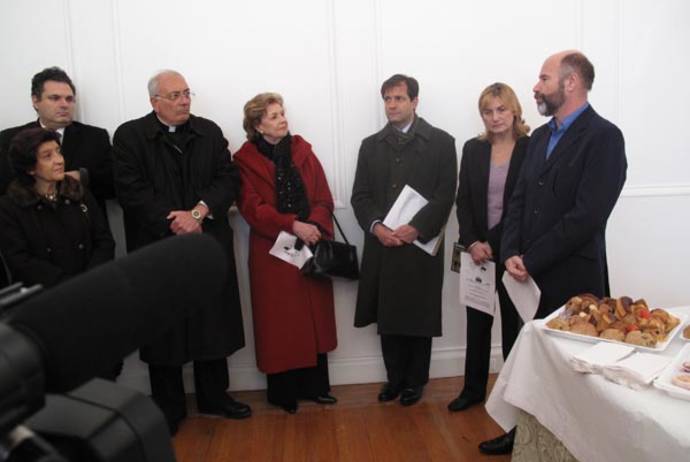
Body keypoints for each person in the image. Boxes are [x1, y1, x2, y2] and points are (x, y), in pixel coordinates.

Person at [479, 51, 627, 455]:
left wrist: (532, 259)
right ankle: (522, 436)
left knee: (569, 372)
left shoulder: (604, 138)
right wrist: (510, 251)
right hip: (523, 276)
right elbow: (518, 200)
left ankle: (570, 447)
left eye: (544, 78)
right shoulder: (540, 138)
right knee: (524, 361)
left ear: (571, 82)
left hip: (571, 280)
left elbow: (587, 216)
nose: (536, 87)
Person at [112, 70, 250, 435]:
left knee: (211, 321)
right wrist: (173, 221)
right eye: (174, 95)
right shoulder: (129, 136)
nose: (184, 100)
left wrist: (197, 214)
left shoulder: (209, 131)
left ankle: (214, 397)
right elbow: (130, 190)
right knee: (163, 326)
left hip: (206, 242)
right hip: (157, 246)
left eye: (187, 93)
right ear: (154, 102)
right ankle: (168, 406)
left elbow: (227, 179)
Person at [351, 74, 457, 406]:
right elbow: (360, 196)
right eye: (387, 99)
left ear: (415, 101)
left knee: (419, 315)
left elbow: (445, 195)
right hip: (382, 244)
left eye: (398, 98)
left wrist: (416, 228)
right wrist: (377, 227)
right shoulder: (370, 145)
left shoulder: (442, 142)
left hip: (420, 245)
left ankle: (416, 381)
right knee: (389, 315)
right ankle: (394, 378)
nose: (392, 105)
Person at [233, 92, 338, 414]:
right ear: (257, 125)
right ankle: (284, 393)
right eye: (274, 116)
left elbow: (323, 197)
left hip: (311, 243)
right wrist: (293, 225)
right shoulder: (244, 161)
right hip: (272, 251)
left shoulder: (303, 151)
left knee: (313, 319)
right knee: (280, 324)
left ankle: (316, 387)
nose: (283, 120)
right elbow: (252, 208)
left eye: (282, 113)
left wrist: (313, 226)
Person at [0, 128, 119, 379]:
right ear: (29, 167)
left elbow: (104, 240)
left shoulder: (78, 192)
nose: (59, 160)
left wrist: (89, 280)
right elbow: (20, 260)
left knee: (104, 369)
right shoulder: (10, 207)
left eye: (58, 152)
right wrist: (68, 286)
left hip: (91, 293)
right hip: (48, 302)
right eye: (47, 156)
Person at [449, 83, 529, 413]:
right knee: (477, 324)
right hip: (477, 253)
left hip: (514, 253)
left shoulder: (531, 147)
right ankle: (472, 390)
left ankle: (514, 397)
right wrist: (472, 242)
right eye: (487, 111)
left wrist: (496, 245)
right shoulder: (473, 149)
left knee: (514, 328)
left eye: (501, 109)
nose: (495, 117)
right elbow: (463, 201)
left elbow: (527, 205)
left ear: (515, 111)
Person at [0, 67, 114, 216]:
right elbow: (5, 188)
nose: (64, 104)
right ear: (35, 101)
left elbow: (113, 185)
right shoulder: (10, 139)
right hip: (30, 223)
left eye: (69, 99)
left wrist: (83, 177)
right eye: (54, 98)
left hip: (85, 223)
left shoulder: (95, 137)